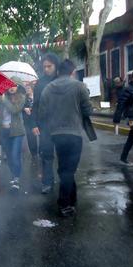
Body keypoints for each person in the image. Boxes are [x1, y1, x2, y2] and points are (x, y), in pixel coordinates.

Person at [39, 59, 92, 217]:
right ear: (72, 71)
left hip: (56, 135)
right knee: (68, 170)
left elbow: (42, 114)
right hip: (74, 134)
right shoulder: (79, 86)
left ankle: (72, 197)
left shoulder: (48, 88)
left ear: (58, 71)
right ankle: (64, 204)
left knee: (65, 168)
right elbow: (88, 110)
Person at [31, 53, 60, 194]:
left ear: (56, 66)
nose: (47, 69)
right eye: (45, 67)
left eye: (50, 66)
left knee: (63, 155)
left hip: (61, 124)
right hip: (45, 125)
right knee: (46, 154)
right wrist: (34, 124)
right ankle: (47, 182)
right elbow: (35, 105)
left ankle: (64, 180)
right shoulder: (40, 83)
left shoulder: (62, 80)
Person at [0, 77, 26, 191]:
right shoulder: (2, 96)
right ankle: (13, 175)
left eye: (14, 85)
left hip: (17, 132)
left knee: (15, 155)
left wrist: (3, 99)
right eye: (10, 85)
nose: (12, 88)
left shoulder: (22, 97)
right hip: (4, 131)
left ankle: (16, 178)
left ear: (18, 87)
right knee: (10, 156)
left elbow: (14, 110)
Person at [113, 69, 133, 166]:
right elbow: (121, 104)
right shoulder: (128, 89)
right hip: (132, 118)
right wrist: (116, 120)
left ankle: (123, 157)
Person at [22, 84, 38, 162]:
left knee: (40, 136)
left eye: (28, 88)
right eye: (26, 88)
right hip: (28, 120)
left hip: (37, 119)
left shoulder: (37, 97)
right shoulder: (24, 98)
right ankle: (34, 153)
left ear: (32, 88)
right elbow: (21, 106)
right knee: (31, 137)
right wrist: (25, 108)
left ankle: (41, 151)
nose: (27, 89)